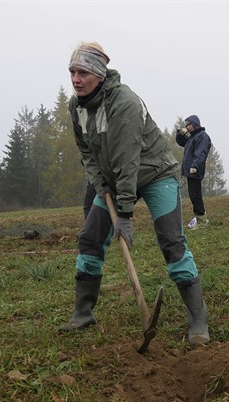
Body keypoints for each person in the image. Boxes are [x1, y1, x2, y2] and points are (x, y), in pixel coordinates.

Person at [60, 42, 209, 346]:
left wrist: (125, 215)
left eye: (83, 72)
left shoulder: (124, 103)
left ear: (99, 74)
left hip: (155, 174)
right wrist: (101, 186)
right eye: (72, 71)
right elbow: (87, 153)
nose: (76, 79)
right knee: (90, 237)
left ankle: (197, 319)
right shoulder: (76, 107)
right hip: (113, 181)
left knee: (171, 241)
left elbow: (127, 160)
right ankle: (82, 313)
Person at [176, 115, 211, 229]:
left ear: (195, 124)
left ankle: (202, 222)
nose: (188, 127)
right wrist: (180, 133)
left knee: (195, 195)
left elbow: (201, 152)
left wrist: (195, 165)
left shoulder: (202, 136)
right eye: (186, 125)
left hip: (195, 170)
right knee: (193, 195)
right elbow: (181, 142)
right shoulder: (192, 137)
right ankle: (201, 218)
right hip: (190, 170)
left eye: (189, 124)